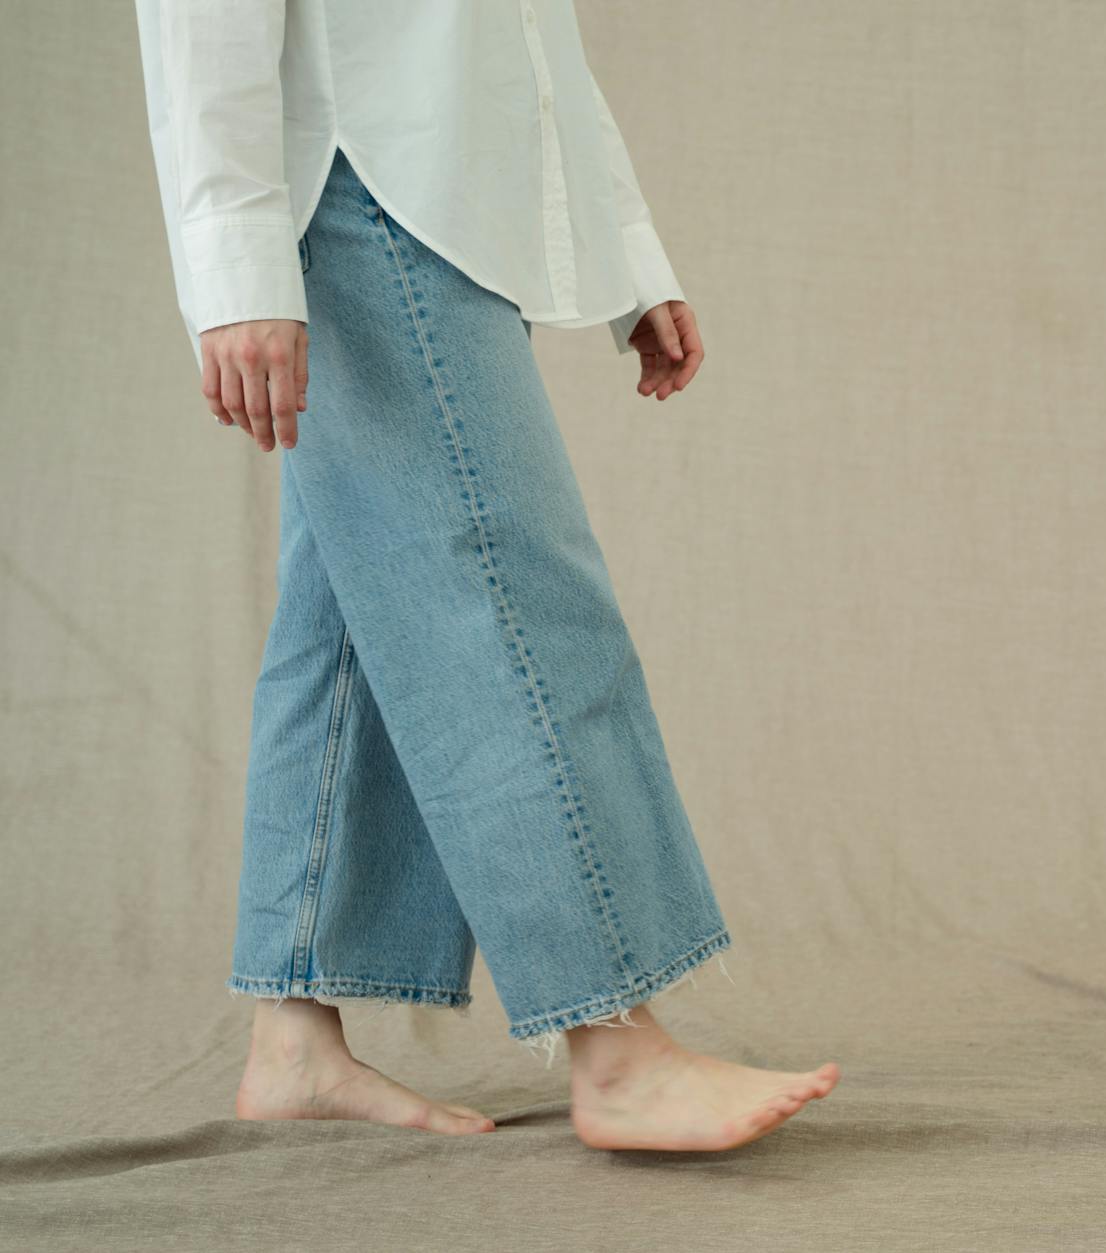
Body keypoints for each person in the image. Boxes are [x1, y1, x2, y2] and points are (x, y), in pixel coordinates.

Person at [132, 0, 837, 1151]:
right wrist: (236, 256)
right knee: (512, 603)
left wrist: (621, 249)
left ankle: (293, 1038)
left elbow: (512, 33)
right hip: (357, 185)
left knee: (352, 626)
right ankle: (617, 1050)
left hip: (443, 195)